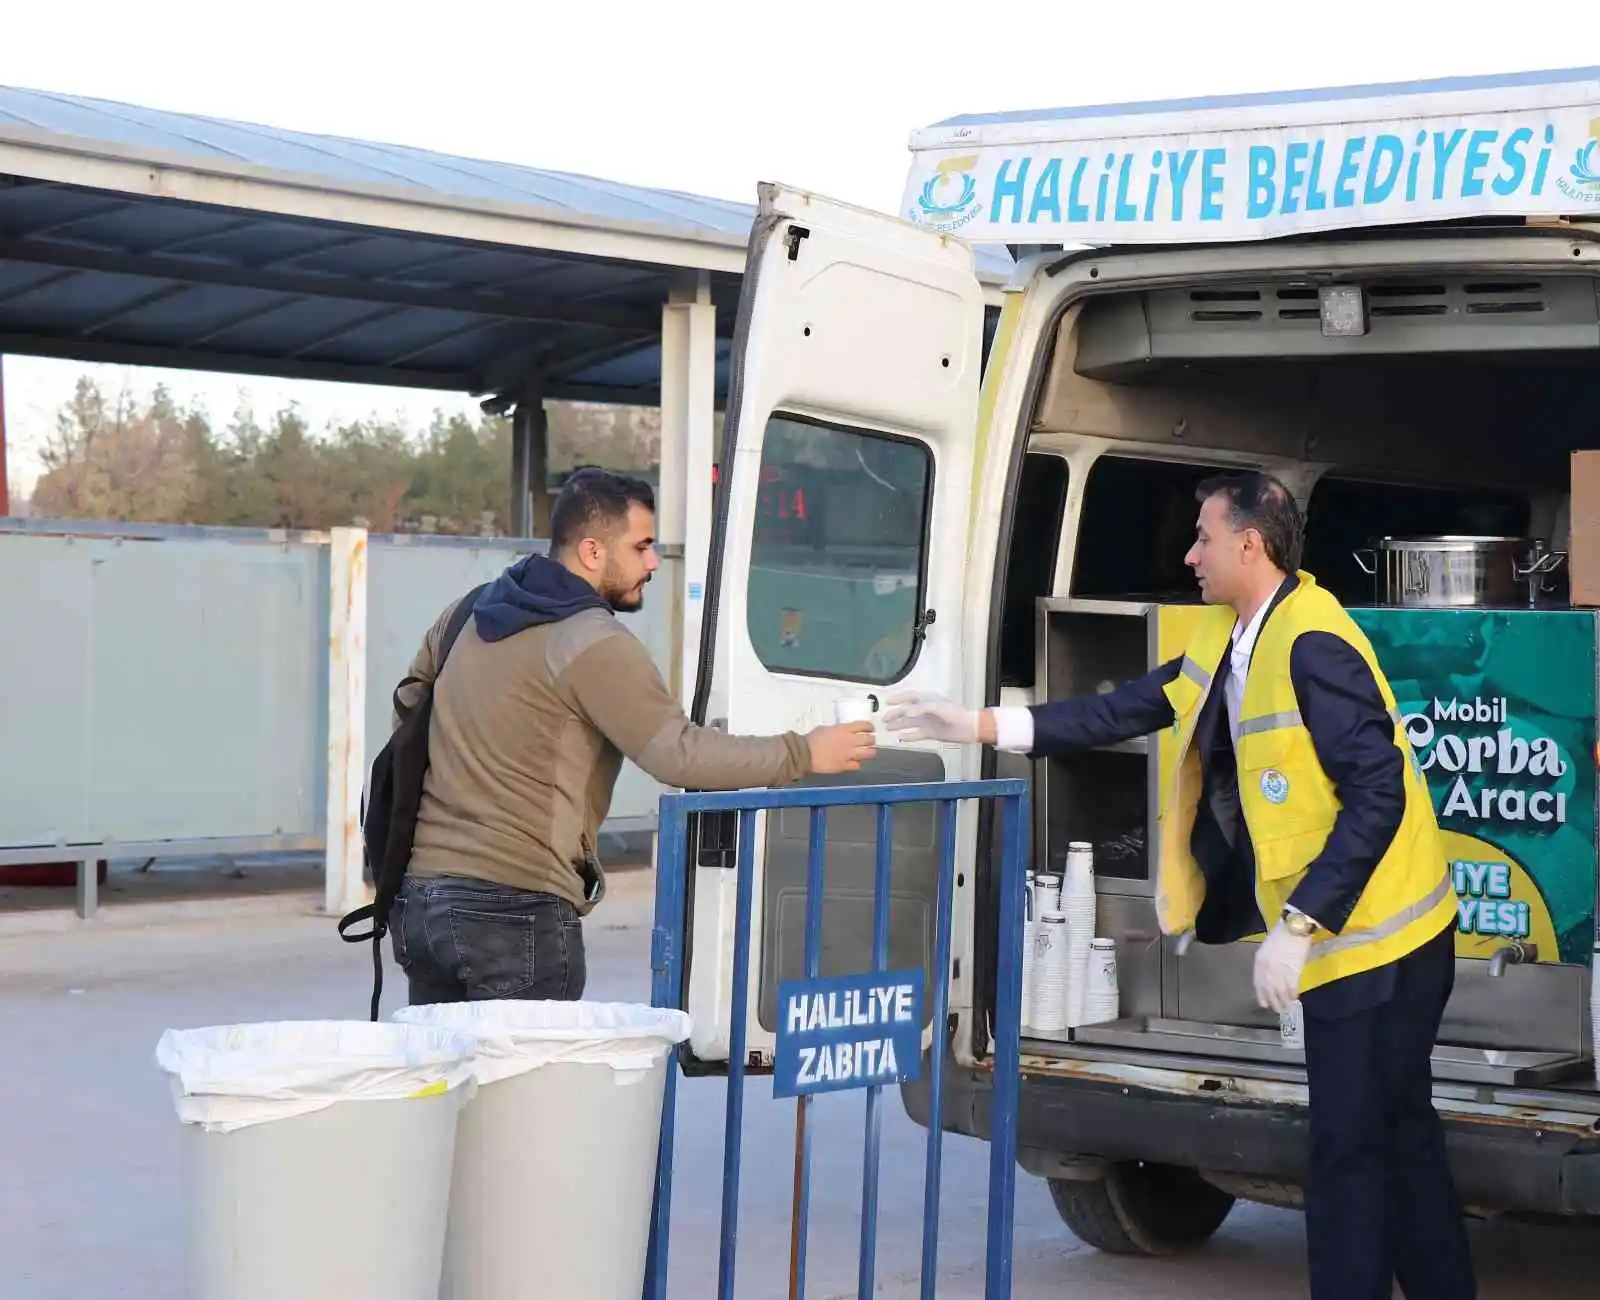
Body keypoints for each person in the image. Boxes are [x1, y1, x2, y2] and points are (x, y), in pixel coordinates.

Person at [883, 471, 1474, 1300]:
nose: (1190, 555)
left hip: (1382, 944)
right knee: (1400, 1135)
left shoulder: (1312, 642)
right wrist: (975, 724)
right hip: (1370, 934)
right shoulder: (1227, 640)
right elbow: (1116, 712)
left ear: (1249, 545)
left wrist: (1301, 923)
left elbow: (1380, 792)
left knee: (1348, 1152)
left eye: (1203, 538)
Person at [390, 467, 875, 1005]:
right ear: (593, 551)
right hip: (515, 909)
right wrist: (804, 752)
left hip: (422, 904)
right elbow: (679, 753)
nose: (652, 563)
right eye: (641, 546)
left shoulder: (466, 612)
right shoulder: (591, 642)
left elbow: (408, 712)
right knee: (528, 1090)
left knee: (453, 1087)